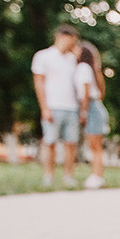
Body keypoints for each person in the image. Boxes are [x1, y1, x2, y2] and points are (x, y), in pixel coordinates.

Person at [31, 24, 81, 187]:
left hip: (72, 107)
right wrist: (44, 107)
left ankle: (68, 177)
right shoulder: (43, 56)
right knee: (50, 142)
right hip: (52, 105)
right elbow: (39, 83)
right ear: (61, 37)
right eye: (72, 41)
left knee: (71, 144)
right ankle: (48, 176)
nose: (73, 45)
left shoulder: (73, 59)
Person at [75, 42, 109, 189]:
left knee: (95, 146)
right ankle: (97, 176)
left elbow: (86, 92)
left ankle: (96, 176)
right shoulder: (89, 68)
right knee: (96, 146)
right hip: (95, 106)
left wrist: (83, 111)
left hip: (91, 107)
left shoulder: (83, 67)